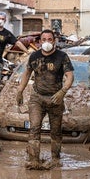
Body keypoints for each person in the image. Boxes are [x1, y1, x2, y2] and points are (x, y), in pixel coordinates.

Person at [16, 29, 74, 169]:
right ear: (40, 41)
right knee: (34, 128)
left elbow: (70, 76)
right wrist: (20, 91)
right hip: (37, 98)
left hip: (55, 99)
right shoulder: (34, 56)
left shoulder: (62, 56)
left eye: (50, 39)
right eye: (44, 39)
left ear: (54, 41)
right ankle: (34, 160)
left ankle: (55, 159)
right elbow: (27, 74)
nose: (47, 42)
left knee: (56, 131)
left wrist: (63, 91)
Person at [0, 11, 29, 98]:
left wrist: (27, 52)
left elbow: (17, 43)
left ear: (5, 20)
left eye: (2, 19)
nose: (0, 20)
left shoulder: (7, 34)